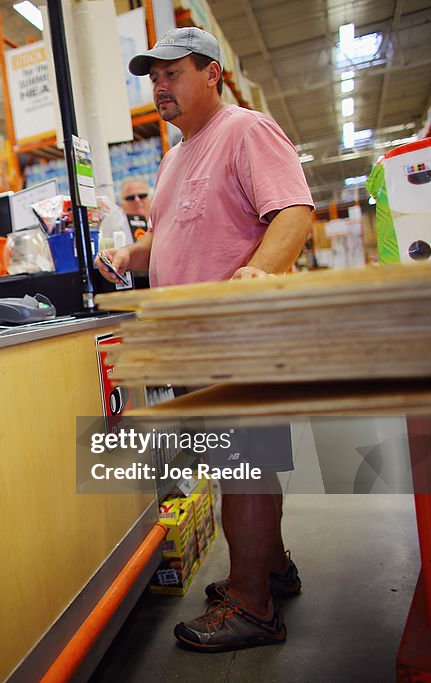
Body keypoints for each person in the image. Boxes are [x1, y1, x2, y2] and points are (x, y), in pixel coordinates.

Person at [96, 27, 314, 652]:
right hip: (192, 339)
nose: (160, 86)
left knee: (246, 464)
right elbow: (167, 241)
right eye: (154, 77)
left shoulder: (245, 130)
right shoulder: (173, 157)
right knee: (235, 462)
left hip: (235, 334)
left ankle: (252, 606)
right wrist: (126, 256)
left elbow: (293, 212)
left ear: (212, 72)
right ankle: (270, 570)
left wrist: (259, 272)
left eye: (173, 73)